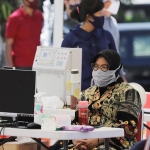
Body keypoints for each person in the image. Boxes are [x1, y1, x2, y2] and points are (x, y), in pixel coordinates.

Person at [70, 49, 142, 150]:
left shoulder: (127, 92)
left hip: (113, 144)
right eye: (96, 66)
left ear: (116, 69)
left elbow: (129, 127)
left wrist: (98, 139)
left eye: (104, 67)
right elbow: (75, 122)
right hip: (83, 142)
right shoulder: (87, 93)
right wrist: (75, 139)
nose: (98, 71)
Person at [61, 0, 117, 91]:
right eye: (100, 13)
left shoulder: (107, 36)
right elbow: (63, 70)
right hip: (79, 93)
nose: (102, 16)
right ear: (89, 17)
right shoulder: (71, 39)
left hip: (105, 93)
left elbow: (116, 65)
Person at [5, 0, 43, 70]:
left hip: (37, 64)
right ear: (25, 1)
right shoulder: (14, 18)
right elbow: (8, 44)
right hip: (20, 66)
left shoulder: (39, 15)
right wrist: (10, 68)